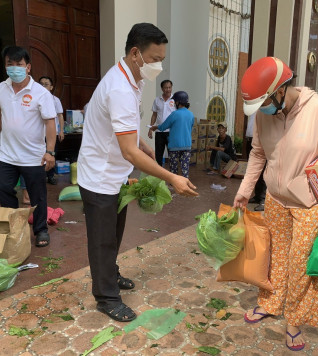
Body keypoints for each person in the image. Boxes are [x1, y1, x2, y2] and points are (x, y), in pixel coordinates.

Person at [234, 57, 318, 351]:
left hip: (309, 202)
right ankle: (270, 302)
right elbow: (258, 154)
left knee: (300, 262)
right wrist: (245, 190)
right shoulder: (263, 114)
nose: (262, 109)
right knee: (276, 257)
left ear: (280, 91)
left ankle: (294, 319)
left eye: (265, 102)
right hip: (274, 198)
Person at [77, 23, 198, 323]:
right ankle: (105, 297)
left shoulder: (134, 79)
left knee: (114, 233)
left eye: (162, 59)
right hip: (99, 176)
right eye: (155, 59)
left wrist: (144, 146)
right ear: (135, 54)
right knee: (102, 239)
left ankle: (110, 274)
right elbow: (127, 151)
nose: (159, 66)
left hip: (115, 175)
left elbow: (129, 135)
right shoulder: (118, 88)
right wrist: (170, 176)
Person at [0, 45, 57, 248]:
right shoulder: (1, 88)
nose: (14, 68)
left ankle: (41, 229)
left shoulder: (40, 93)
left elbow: (50, 123)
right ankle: (15, 225)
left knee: (37, 196)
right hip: (7, 154)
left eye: (19, 64)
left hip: (33, 156)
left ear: (28, 67)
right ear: (5, 66)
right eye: (10, 64)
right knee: (2, 187)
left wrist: (50, 151)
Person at [151, 91, 194, 178]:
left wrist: (155, 127)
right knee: (185, 169)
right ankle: (185, 185)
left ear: (178, 102)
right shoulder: (191, 114)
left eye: (175, 102)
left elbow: (163, 126)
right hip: (187, 145)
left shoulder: (174, 114)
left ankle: (173, 185)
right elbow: (191, 128)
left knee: (174, 169)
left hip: (175, 146)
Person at [39, 76, 65, 185]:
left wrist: (61, 131)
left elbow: (60, 116)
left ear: (51, 87)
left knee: (51, 154)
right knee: (40, 155)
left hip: (52, 133)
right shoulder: (36, 98)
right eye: (41, 84)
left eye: (46, 84)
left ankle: (50, 176)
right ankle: (41, 176)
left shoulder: (55, 100)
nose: (43, 86)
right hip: (39, 134)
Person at [148, 79, 175, 166]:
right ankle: (158, 174)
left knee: (172, 154)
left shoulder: (175, 100)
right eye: (166, 88)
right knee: (158, 154)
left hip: (171, 132)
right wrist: (150, 129)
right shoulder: (157, 100)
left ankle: (172, 174)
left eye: (169, 87)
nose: (168, 89)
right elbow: (154, 115)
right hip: (159, 131)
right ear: (162, 89)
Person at [245, 113, 267, 211]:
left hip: (261, 141)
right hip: (251, 141)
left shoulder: (266, 108)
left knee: (263, 171)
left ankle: (264, 199)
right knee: (255, 171)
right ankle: (258, 196)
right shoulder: (254, 108)